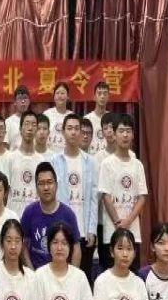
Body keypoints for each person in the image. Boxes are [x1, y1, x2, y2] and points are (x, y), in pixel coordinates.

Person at [51, 113, 98, 287]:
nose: (73, 132)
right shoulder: (54, 161)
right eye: (69, 128)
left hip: (84, 231)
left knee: (81, 281)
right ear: (63, 132)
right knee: (59, 279)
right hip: (61, 230)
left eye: (76, 129)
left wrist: (92, 228)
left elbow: (94, 198)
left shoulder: (90, 162)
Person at [98, 113, 147, 273]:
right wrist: (118, 223)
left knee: (132, 274)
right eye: (121, 130)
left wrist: (128, 221)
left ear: (133, 135)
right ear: (114, 134)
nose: (125, 135)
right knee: (110, 275)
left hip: (133, 231)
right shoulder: (107, 164)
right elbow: (105, 196)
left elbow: (142, 197)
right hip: (111, 231)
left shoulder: (137, 165)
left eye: (128, 131)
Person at [21, 162, 81, 269]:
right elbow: (23, 246)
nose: (46, 187)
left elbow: (76, 248)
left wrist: (71, 275)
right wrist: (32, 273)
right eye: (41, 183)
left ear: (56, 185)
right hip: (36, 273)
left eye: (49, 182)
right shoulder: (29, 212)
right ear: (36, 187)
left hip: (62, 273)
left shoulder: (68, 215)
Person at [7, 111, 43, 217]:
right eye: (27, 124)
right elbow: (5, 190)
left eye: (34, 125)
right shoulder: (10, 158)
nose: (30, 128)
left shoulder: (41, 160)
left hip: (35, 216)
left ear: (37, 129)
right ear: (20, 129)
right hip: (13, 217)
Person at [43, 82, 72, 154]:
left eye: (62, 93)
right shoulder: (47, 114)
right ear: (54, 97)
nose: (60, 96)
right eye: (57, 93)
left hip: (66, 155)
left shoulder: (72, 116)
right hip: (49, 155)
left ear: (68, 97)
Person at [85, 80, 110, 154]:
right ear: (94, 97)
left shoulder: (113, 119)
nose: (102, 96)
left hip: (108, 159)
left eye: (105, 94)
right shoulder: (87, 119)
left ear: (108, 97)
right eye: (99, 93)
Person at [4, 85, 31, 151]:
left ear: (29, 101)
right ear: (15, 102)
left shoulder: (34, 121)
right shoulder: (8, 122)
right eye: (20, 98)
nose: (23, 101)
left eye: (25, 98)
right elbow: (5, 146)